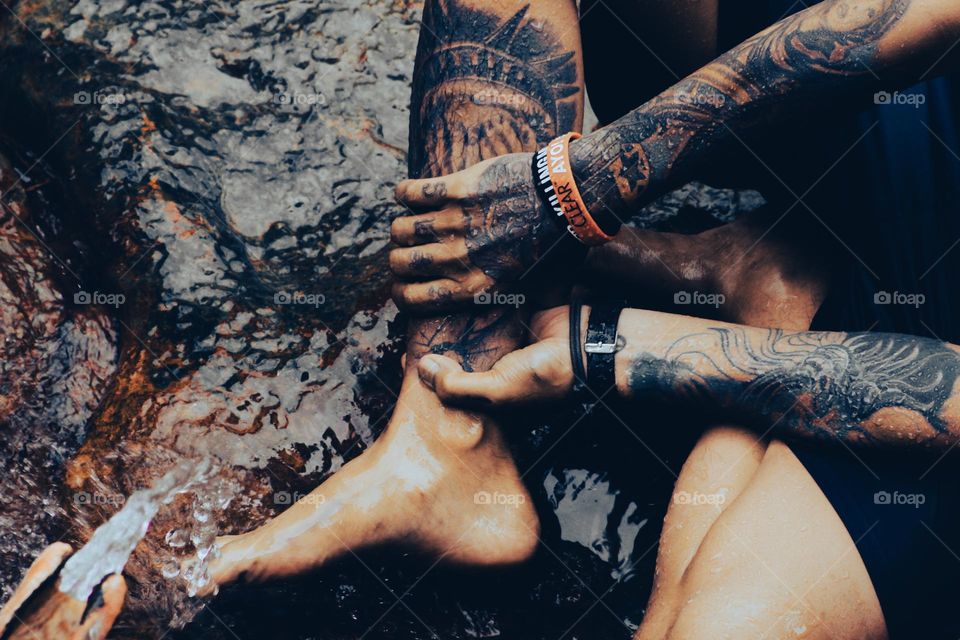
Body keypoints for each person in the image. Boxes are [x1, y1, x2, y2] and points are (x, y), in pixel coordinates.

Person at [210, 1, 960, 638]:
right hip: (901, 135)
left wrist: (629, 348)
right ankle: (447, 435)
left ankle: (773, 282)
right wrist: (580, 183)